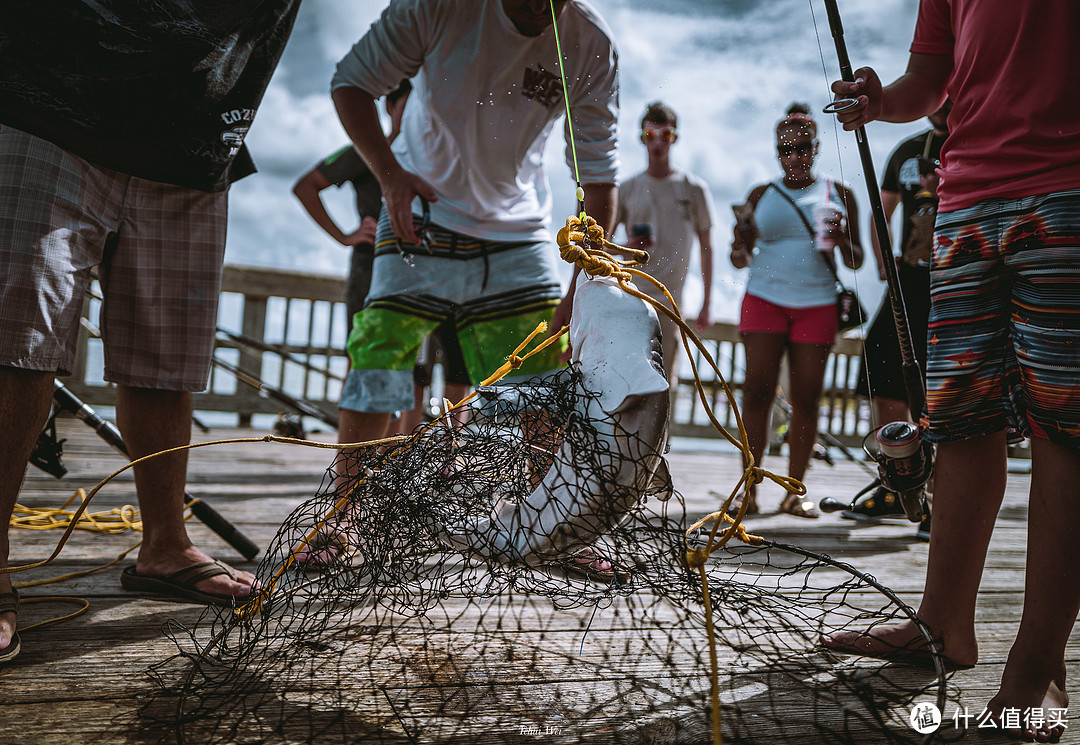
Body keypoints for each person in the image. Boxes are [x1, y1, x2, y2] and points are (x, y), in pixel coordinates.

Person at [0, 2, 303, 664]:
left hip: (192, 137)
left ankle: (165, 544)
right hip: (47, 95)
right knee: (18, 341)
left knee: (168, 360)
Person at [822, 2, 1080, 740]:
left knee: (1065, 428)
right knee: (959, 421)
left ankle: (1038, 669)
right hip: (963, 199)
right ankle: (943, 624)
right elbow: (933, 75)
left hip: (1067, 189)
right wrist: (885, 101)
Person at [326, 0, 621, 580]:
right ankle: (345, 517)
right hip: (420, 211)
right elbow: (351, 84)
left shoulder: (590, 40)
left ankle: (555, 519)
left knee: (542, 378)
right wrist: (389, 175)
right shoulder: (439, 7)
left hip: (520, 232)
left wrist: (582, 278)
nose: (543, 5)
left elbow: (597, 171)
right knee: (378, 357)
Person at [292, 81, 471, 434]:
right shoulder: (364, 151)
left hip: (431, 272)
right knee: (364, 357)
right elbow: (306, 185)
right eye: (411, 104)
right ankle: (358, 454)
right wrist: (345, 235)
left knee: (430, 363)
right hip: (372, 269)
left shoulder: (442, 159)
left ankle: (405, 448)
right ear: (390, 106)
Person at [729, 103, 863, 519]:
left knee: (807, 399)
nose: (795, 157)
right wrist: (739, 240)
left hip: (817, 304)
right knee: (756, 393)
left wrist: (842, 240)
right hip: (764, 299)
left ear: (816, 148)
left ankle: (794, 492)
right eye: (786, 150)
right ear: (777, 152)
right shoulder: (760, 194)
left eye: (803, 148)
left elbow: (857, 261)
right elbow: (739, 258)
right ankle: (748, 491)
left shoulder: (839, 195)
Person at [844, 102, 950, 525]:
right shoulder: (908, 149)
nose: (941, 105)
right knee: (883, 370)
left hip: (960, 278)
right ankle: (901, 483)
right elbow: (882, 207)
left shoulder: (978, 140)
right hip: (910, 280)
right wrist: (882, 258)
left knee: (946, 387)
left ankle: (943, 503)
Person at [614, 101, 715, 383]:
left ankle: (661, 431)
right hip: (630, 297)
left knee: (664, 384)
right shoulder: (626, 189)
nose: (658, 143)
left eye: (665, 135)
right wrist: (627, 244)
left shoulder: (694, 188)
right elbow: (604, 245)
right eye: (650, 136)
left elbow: (708, 247)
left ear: (675, 138)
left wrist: (707, 303)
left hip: (672, 304)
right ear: (641, 138)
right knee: (626, 379)